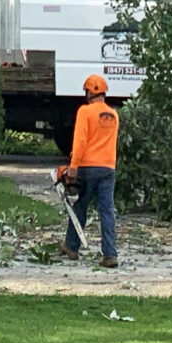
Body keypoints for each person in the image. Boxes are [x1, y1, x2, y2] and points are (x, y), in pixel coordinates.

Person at [55, 73, 120, 266]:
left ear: (89, 93)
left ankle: (72, 247)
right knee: (107, 211)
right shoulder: (114, 115)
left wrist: (73, 167)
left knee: (80, 207)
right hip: (108, 167)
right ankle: (110, 254)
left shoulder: (85, 112)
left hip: (88, 167)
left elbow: (80, 140)